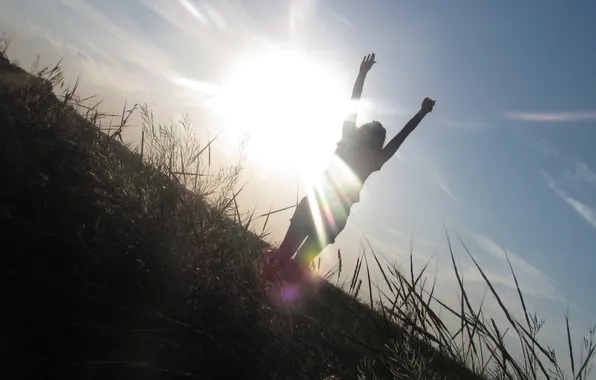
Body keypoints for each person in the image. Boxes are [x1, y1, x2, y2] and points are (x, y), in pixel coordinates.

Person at [276, 53, 436, 279]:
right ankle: (277, 300)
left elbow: (355, 103)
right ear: (379, 141)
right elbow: (403, 134)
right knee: (295, 267)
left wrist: (362, 74)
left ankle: (264, 291)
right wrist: (421, 112)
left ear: (362, 131)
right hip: (334, 216)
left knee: (283, 258)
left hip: (314, 205)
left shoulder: (348, 141)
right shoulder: (374, 159)